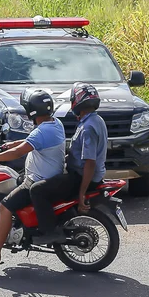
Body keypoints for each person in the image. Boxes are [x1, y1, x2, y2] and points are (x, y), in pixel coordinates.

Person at [0, 88, 65, 267]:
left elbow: (18, 153)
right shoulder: (55, 124)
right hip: (44, 175)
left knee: (5, 205)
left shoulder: (42, 132)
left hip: (36, 180)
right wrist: (8, 145)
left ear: (32, 112)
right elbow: (28, 142)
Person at [29, 83, 108, 245]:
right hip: (82, 173)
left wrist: (81, 193)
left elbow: (90, 162)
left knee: (37, 190)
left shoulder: (87, 127)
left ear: (77, 102)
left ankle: (50, 231)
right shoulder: (96, 120)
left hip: (80, 177)